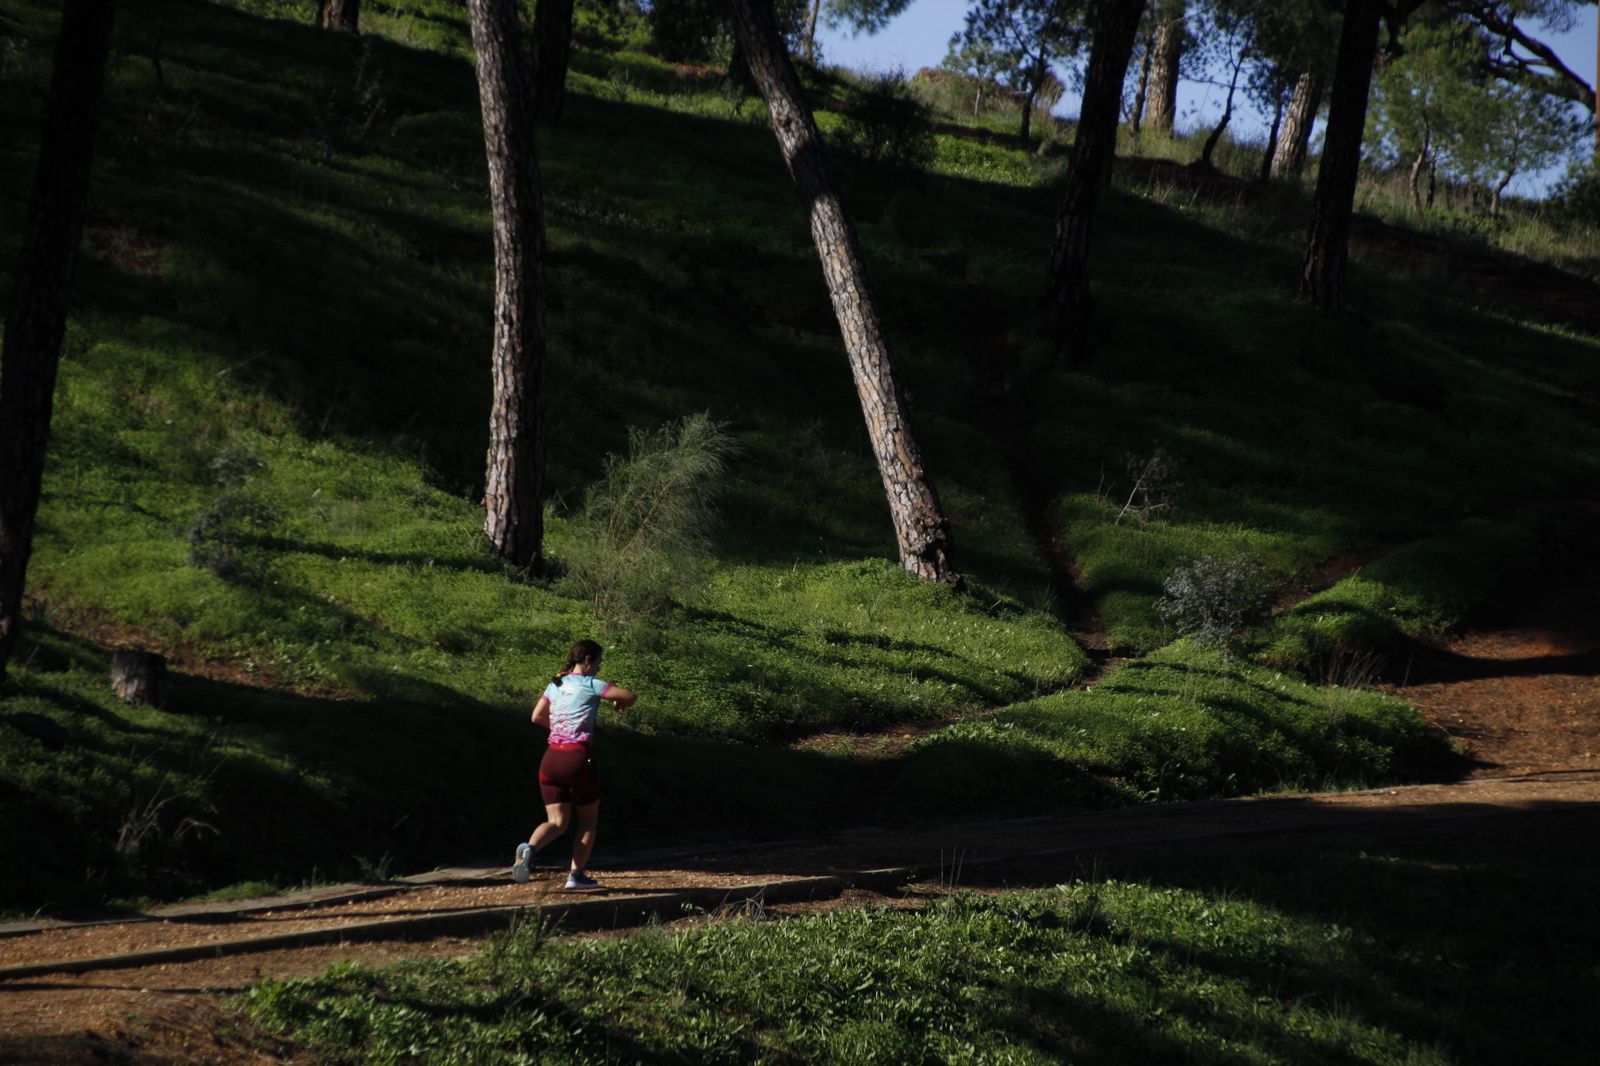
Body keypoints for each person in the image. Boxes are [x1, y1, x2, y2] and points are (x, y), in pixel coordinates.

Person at [511, 639, 634, 890]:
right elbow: (630, 695)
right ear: (588, 660)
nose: (599, 668)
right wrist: (618, 702)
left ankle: (529, 848)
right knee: (588, 820)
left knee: (556, 822)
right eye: (598, 662)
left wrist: (560, 728)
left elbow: (536, 716)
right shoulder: (591, 684)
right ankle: (575, 876)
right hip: (578, 758)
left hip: (551, 758)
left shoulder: (556, 684)